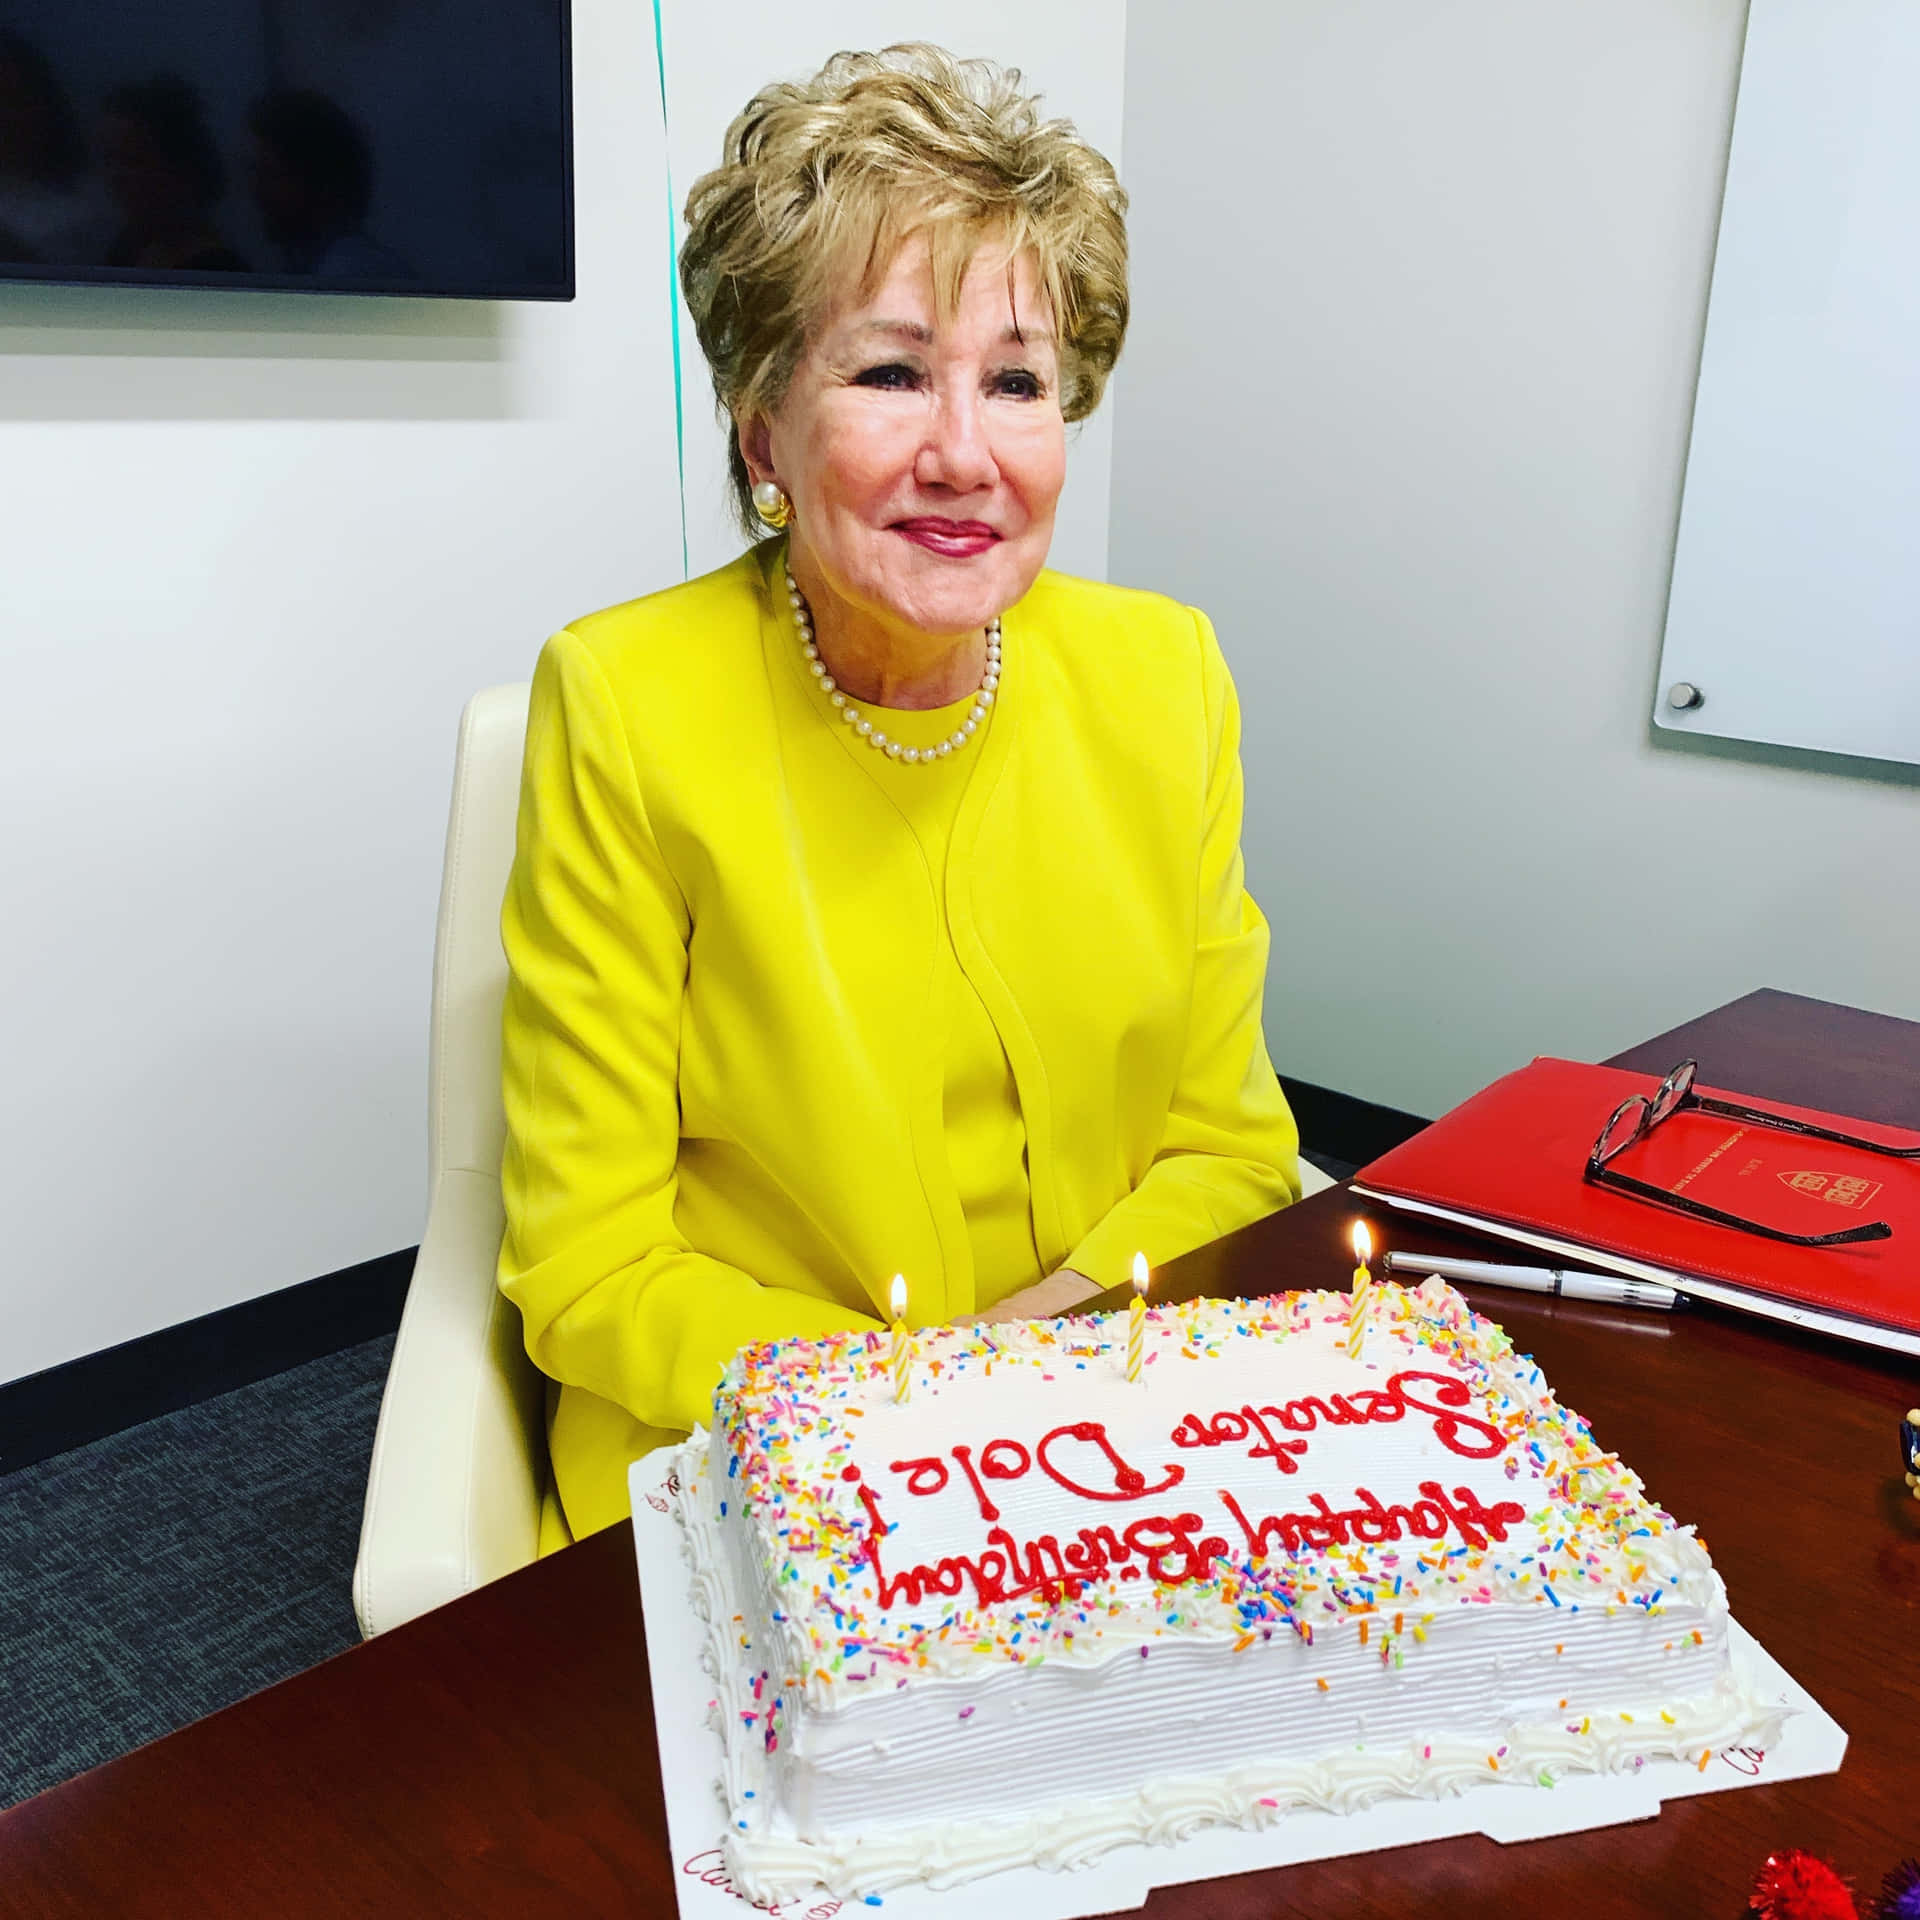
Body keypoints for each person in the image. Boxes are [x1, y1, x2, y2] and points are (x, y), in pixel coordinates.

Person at [498, 45, 1302, 1548]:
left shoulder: (1164, 674)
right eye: (887, 373)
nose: (965, 453)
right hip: (755, 1434)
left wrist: (1035, 1366)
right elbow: (589, 1264)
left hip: (1102, 1408)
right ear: (762, 437)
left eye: (1018, 381)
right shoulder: (625, 703)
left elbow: (1233, 1148)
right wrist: (920, 1416)